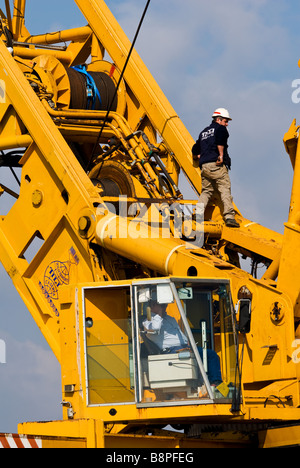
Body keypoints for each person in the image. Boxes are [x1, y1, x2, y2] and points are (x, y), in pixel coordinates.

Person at [142, 300, 222, 385]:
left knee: (211, 354)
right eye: (163, 305)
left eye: (165, 305)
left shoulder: (169, 318)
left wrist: (186, 341)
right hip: (171, 350)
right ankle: (204, 384)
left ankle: (215, 383)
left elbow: (179, 332)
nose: (165, 307)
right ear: (154, 305)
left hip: (184, 347)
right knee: (198, 359)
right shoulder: (148, 321)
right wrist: (158, 313)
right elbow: (155, 327)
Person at [192, 108, 240, 228]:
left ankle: (197, 214)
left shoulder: (204, 132)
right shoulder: (220, 128)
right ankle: (229, 216)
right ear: (218, 119)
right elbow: (220, 141)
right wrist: (221, 156)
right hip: (216, 164)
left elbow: (194, 148)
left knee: (206, 191)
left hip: (205, 166)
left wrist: (199, 156)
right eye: (225, 121)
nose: (227, 123)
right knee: (224, 189)